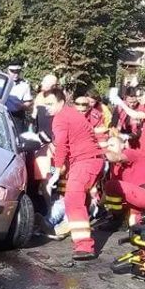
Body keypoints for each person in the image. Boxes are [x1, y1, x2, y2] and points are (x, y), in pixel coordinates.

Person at [42, 87, 105, 261]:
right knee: (80, 199)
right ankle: (72, 231)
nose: (47, 107)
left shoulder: (60, 118)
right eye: (45, 104)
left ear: (61, 102)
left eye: (50, 104)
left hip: (85, 161)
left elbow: (62, 145)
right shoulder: (72, 114)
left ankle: (84, 246)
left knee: (73, 198)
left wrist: (55, 171)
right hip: (91, 160)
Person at [103, 135, 145, 227]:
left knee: (111, 185)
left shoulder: (130, 153)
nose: (109, 148)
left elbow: (117, 157)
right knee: (134, 227)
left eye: (112, 145)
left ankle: (117, 218)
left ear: (122, 145)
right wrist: (98, 206)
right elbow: (108, 193)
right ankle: (144, 219)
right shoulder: (116, 166)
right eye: (107, 146)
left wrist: (98, 154)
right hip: (138, 196)